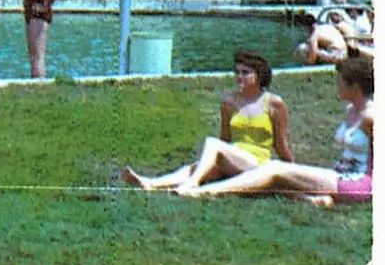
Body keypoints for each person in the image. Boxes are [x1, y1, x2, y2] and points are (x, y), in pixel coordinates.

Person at [175, 56, 372, 206]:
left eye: (340, 82)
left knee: (274, 169)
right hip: (339, 174)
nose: (336, 86)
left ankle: (204, 192)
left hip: (358, 183)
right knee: (276, 175)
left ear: (354, 86)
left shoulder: (373, 117)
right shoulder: (351, 110)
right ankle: (314, 198)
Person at [121, 49, 295, 192]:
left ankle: (192, 183)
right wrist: (210, 163)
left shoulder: (274, 103)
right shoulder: (229, 101)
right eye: (236, 72)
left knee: (212, 144)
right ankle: (150, 183)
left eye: (245, 73)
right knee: (195, 166)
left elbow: (280, 145)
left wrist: (294, 173)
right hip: (233, 158)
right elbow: (225, 138)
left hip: (256, 164)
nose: (239, 77)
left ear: (259, 75)